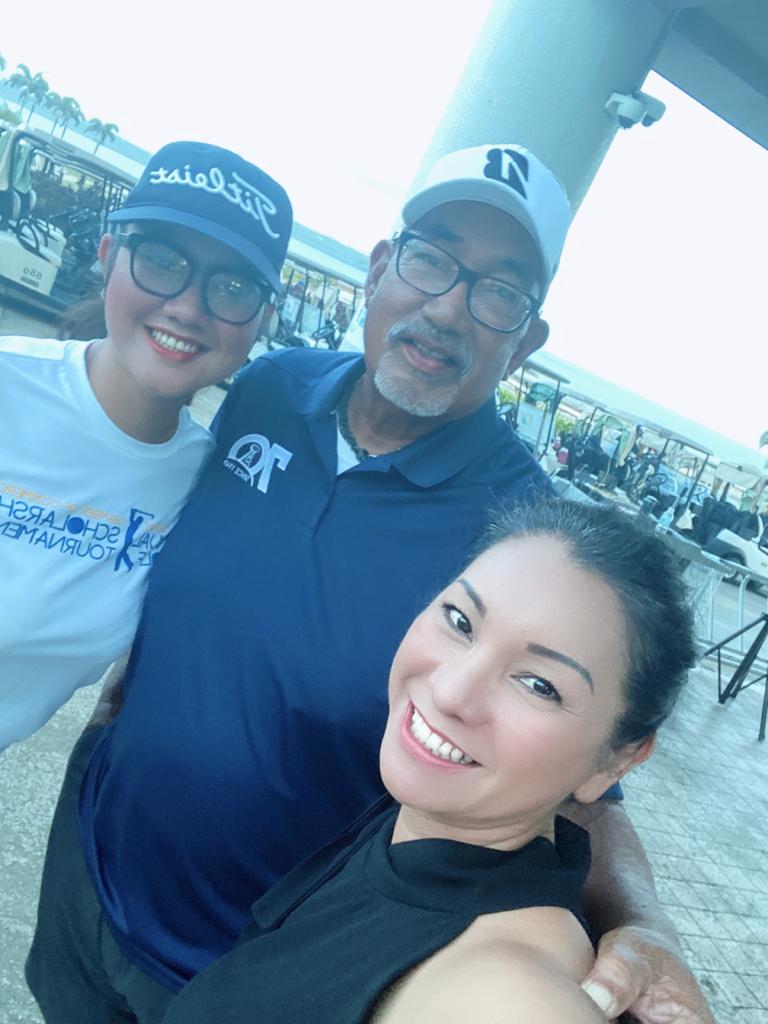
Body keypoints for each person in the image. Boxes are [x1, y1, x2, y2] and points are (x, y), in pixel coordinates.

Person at [27, 143, 714, 1024]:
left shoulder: (525, 536)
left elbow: (577, 775)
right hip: (91, 864)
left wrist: (646, 922)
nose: (447, 308)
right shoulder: (270, 389)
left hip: (245, 963)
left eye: (499, 294)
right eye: (430, 260)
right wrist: (113, 711)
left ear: (525, 343)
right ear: (380, 267)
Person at [155, 499, 697, 1023]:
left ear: (617, 761)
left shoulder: (510, 995)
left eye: (538, 684)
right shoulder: (416, 825)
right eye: (460, 621)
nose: (451, 690)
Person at [0, 140, 292, 751]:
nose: (187, 308)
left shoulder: (204, 480)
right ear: (109, 256)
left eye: (232, 286)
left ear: (262, 319)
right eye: (162, 260)